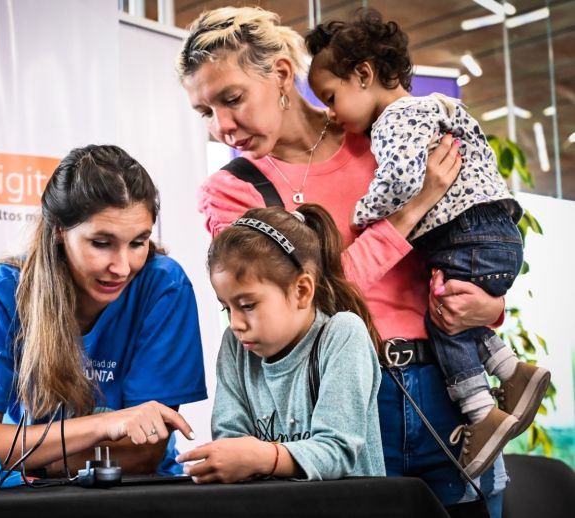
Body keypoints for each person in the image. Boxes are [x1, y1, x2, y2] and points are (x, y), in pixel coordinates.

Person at [177, 6, 507, 515]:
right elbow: (317, 295)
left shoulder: (384, 135)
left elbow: (466, 242)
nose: (222, 125)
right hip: (341, 403)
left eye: (232, 98)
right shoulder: (230, 191)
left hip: (449, 386)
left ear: (282, 74)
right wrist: (411, 210)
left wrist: (488, 307)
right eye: (206, 112)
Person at [306, 7, 550, 479]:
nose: (331, 114)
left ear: (364, 74)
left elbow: (401, 179)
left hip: (466, 239)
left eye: (331, 98)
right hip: (493, 234)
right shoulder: (442, 108)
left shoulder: (396, 119)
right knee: (458, 318)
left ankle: (481, 416)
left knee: (444, 326)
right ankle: (516, 374)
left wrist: (365, 213)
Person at [0, 144, 207, 476]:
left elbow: (141, 456)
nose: (122, 267)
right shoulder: (3, 290)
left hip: (132, 498)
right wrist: (106, 424)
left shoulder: (164, 286)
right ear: (60, 230)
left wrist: (10, 457)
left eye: (138, 242)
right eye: (101, 243)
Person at [176, 204, 385, 483]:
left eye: (247, 305)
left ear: (302, 290)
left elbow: (338, 450)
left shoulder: (343, 334)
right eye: (227, 308)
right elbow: (231, 440)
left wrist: (261, 457)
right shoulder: (236, 346)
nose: (235, 323)